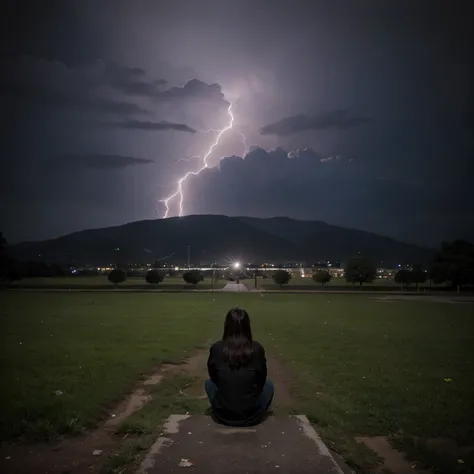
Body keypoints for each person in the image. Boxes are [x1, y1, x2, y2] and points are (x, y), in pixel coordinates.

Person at [205, 307, 274, 426]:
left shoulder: (216, 348)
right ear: (248, 326)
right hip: (251, 415)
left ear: (226, 325)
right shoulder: (257, 349)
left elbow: (213, 377)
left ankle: (227, 404)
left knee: (208, 383)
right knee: (269, 385)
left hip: (223, 415)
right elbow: (261, 380)